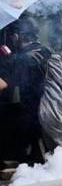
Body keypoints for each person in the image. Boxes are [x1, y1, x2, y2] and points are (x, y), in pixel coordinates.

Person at [0, 16, 52, 163]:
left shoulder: (21, 60)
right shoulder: (46, 50)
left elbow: (3, 84)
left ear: (17, 37)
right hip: (50, 108)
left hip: (33, 115)